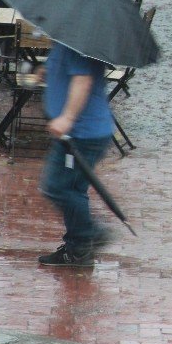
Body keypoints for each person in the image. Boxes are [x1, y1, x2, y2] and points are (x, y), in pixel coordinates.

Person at [36, 42, 116, 267]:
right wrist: (48, 72)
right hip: (79, 133)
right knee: (73, 190)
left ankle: (89, 234)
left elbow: (83, 80)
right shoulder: (66, 40)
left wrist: (67, 118)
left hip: (83, 134)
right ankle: (78, 251)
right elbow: (67, 71)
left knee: (58, 187)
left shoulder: (78, 44)